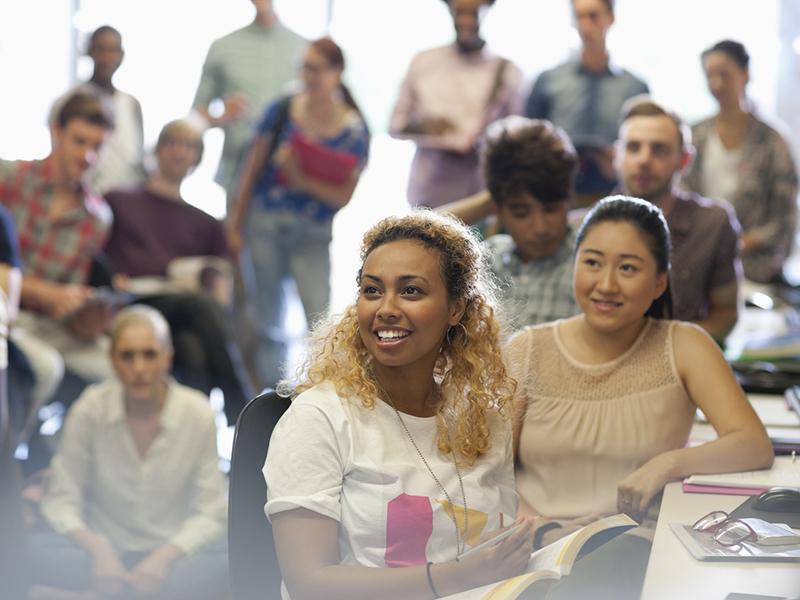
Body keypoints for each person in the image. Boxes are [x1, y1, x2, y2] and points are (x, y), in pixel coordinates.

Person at [505, 196, 773, 599]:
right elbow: (485, 469)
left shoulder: (684, 346)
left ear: (660, 281)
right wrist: (542, 526)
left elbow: (753, 444)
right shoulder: (527, 349)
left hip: (635, 550)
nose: (606, 284)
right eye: (592, 262)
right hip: (531, 548)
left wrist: (668, 464)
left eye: (628, 268)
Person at [264, 212, 536, 599]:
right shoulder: (320, 417)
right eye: (372, 290)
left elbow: (493, 546)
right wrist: (456, 577)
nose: (386, 308)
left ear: (455, 308)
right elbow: (310, 583)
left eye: (411, 291)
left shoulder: (483, 420)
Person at [28, 305, 228, 600]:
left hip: (175, 554)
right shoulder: (90, 408)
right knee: (23, 550)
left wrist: (163, 558)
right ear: (111, 360)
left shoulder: (197, 412)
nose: (138, 369)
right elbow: (61, 500)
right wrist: (99, 552)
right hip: (102, 551)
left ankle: (103, 593)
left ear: (167, 358)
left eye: (149, 354)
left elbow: (211, 511)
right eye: (127, 355)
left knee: (234, 556)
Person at [227, 37, 370, 389]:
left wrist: (301, 179)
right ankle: (268, 398)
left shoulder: (353, 128)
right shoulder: (282, 109)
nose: (307, 75)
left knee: (321, 321)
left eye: (315, 68)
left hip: (312, 231)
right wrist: (235, 223)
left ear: (336, 73)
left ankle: (321, 394)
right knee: (267, 322)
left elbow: (342, 196)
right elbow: (251, 168)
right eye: (303, 66)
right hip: (265, 223)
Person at [103, 119, 255, 423]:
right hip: (133, 299)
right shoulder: (119, 201)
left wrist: (217, 296)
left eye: (188, 147)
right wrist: (108, 280)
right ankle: (243, 408)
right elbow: (94, 253)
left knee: (192, 347)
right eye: (172, 143)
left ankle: (189, 439)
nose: (179, 153)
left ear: (197, 159)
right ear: (158, 150)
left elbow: (219, 281)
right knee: (200, 304)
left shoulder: (206, 223)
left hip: (184, 311)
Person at [0, 91, 116, 411]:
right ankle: (13, 456)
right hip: (6, 313)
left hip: (48, 324)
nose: (88, 155)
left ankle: (65, 453)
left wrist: (84, 316)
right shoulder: (9, 179)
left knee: (119, 366)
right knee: (46, 367)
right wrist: (47, 293)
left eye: (98, 146)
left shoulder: (98, 217)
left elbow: (64, 300)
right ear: (56, 132)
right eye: (80, 141)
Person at [615, 97, 742, 341]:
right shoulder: (585, 226)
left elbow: (725, 313)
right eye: (633, 147)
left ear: (684, 161)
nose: (644, 159)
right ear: (616, 155)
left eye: (659, 149)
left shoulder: (713, 224)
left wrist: (673, 350)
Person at [683, 40, 798, 284]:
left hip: (756, 269)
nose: (716, 84)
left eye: (724, 74)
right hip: (701, 260)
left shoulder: (772, 141)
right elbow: (682, 195)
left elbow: (784, 215)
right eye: (710, 75)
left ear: (745, 74)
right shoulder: (695, 136)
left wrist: (742, 243)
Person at [389, 0, 523, 208]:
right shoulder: (424, 62)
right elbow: (395, 124)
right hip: (426, 196)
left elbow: (515, 138)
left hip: (478, 198)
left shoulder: (506, 71)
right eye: (460, 11)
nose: (466, 20)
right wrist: (429, 127)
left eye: (474, 12)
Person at [526, 0, 648, 204]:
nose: (585, 25)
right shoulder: (548, 80)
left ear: (610, 18)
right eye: (579, 17)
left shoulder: (635, 87)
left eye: (593, 16)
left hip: (617, 193)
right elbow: (530, 139)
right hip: (558, 194)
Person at [191, 0, 305, 205]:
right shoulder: (224, 47)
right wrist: (221, 117)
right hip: (238, 171)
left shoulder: (304, 49)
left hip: (293, 178)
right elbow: (197, 113)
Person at [481, 116, 581, 328]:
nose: (540, 228)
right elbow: (416, 236)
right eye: (521, 213)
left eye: (551, 209)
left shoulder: (589, 266)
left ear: (569, 201)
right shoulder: (486, 260)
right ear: (498, 210)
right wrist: (489, 196)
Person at [50, 25, 145, 195]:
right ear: (90, 51)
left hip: (122, 199)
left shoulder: (131, 105)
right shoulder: (68, 101)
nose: (107, 57)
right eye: (101, 49)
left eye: (113, 50)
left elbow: (137, 159)